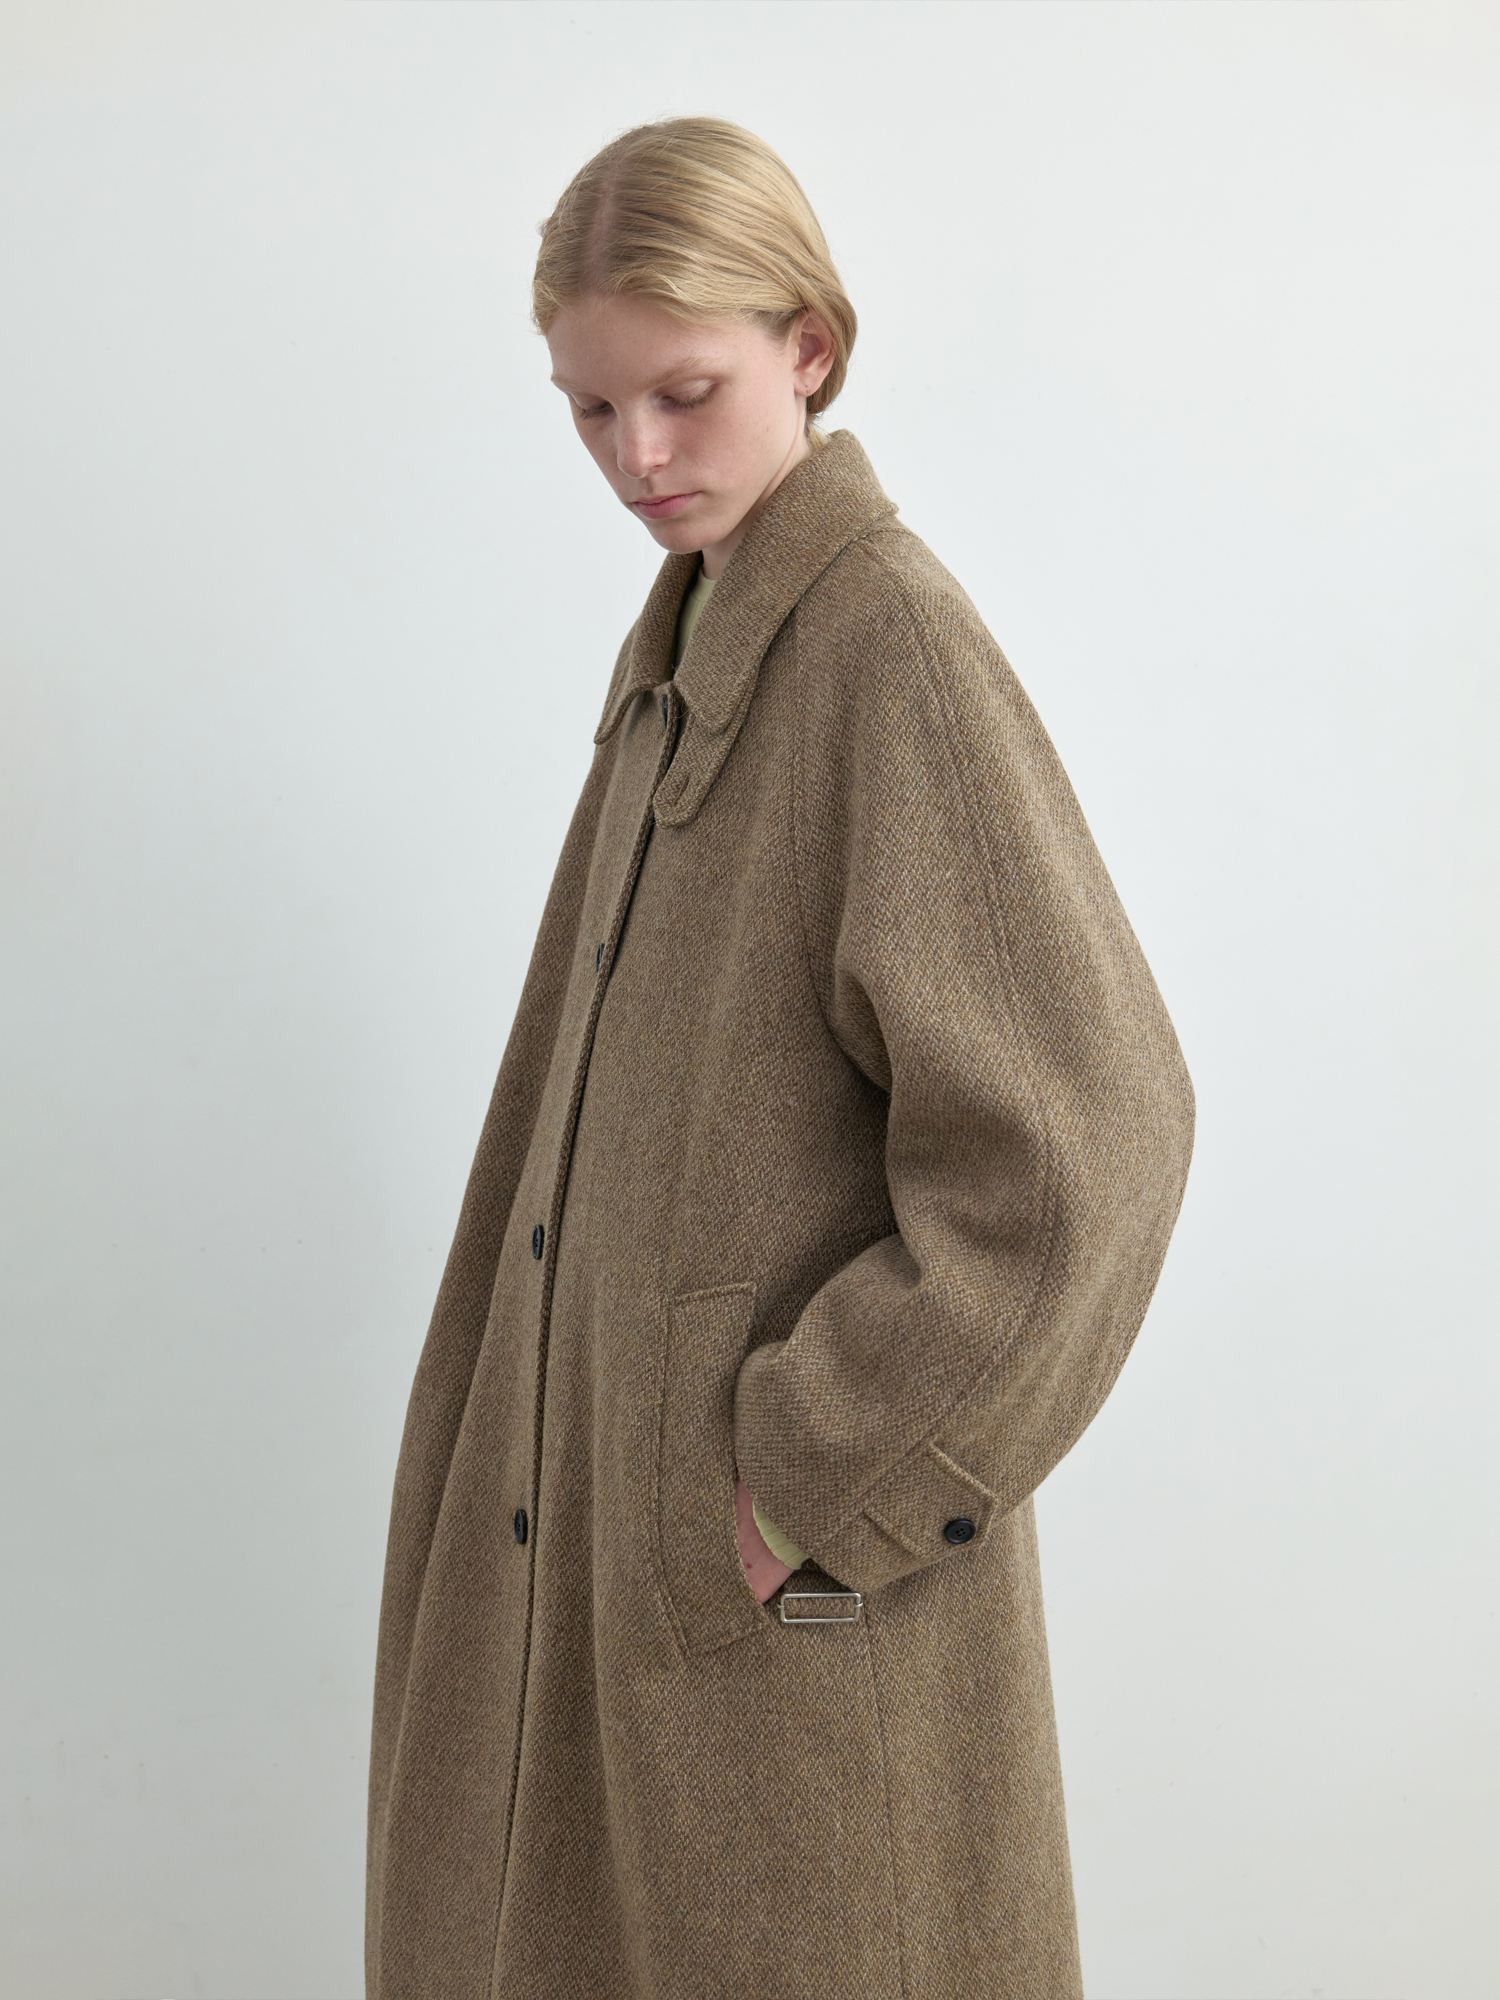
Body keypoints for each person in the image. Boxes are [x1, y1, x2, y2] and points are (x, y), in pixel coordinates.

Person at [365, 117, 1194, 2000]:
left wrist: (813, 1476)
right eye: (590, 410)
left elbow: (1092, 1147)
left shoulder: (886, 650)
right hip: (601, 1581)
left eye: (686, 393)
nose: (637, 457)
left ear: (808, 346)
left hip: (782, 1623)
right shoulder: (691, 649)